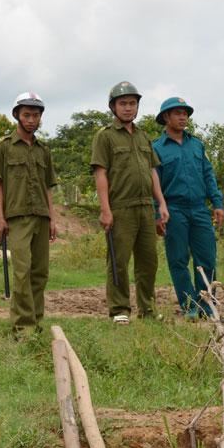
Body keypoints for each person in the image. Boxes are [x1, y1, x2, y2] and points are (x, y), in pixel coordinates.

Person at [90, 82, 169, 325]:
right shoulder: (105, 137)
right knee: (119, 262)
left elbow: (152, 172)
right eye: (123, 103)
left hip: (146, 207)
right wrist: (105, 210)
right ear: (113, 106)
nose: (128, 108)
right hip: (120, 208)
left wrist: (161, 204)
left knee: (149, 262)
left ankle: (147, 309)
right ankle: (119, 310)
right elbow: (100, 173)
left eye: (132, 103)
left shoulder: (144, 136)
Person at [0, 92, 57, 337]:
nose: (31, 119)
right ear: (17, 115)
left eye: (36, 115)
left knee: (40, 272)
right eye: (26, 114)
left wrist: (52, 218)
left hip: (41, 216)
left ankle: (36, 322)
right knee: (22, 272)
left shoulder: (43, 150)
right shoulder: (3, 147)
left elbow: (48, 187)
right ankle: (22, 327)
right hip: (16, 217)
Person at [152, 97, 224, 319]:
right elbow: (153, 184)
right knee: (178, 259)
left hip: (199, 208)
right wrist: (158, 213)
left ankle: (207, 305)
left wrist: (217, 202)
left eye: (185, 113)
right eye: (177, 113)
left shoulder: (197, 144)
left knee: (207, 258)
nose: (183, 117)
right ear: (166, 117)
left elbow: (208, 174)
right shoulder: (156, 148)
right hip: (173, 209)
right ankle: (190, 306)